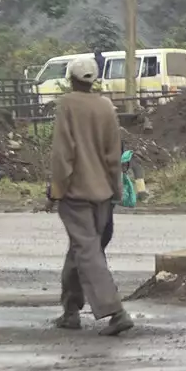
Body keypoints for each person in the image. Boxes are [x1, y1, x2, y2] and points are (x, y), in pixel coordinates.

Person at [50, 56, 134, 336]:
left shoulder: (67, 105)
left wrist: (56, 189)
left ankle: (116, 311)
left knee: (87, 251)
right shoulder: (106, 106)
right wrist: (116, 191)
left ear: (70, 78)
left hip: (76, 191)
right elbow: (113, 155)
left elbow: (64, 153)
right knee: (82, 249)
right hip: (103, 192)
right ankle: (71, 311)